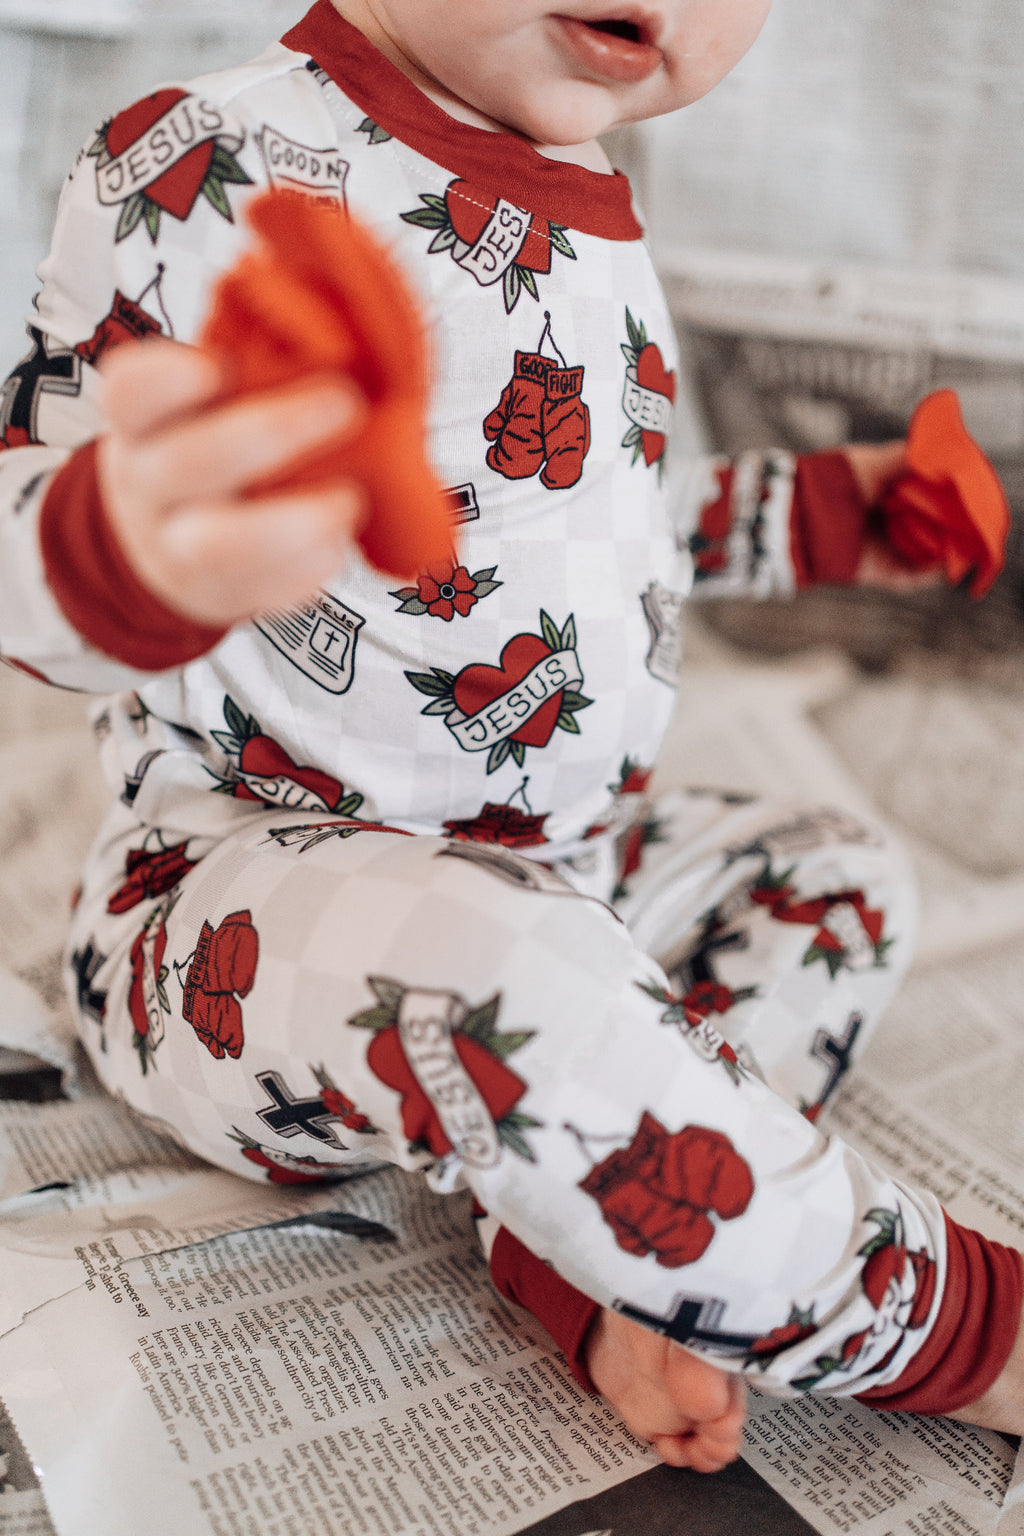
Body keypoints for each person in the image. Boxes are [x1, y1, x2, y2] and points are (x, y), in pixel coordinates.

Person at [0, 0, 1021, 1477]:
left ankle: (634, 1258)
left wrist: (837, 515)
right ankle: (930, 1315)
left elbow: (598, 528)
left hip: (569, 869)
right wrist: (124, 546)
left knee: (832, 872)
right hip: (227, 906)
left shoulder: (585, 190)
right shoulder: (199, 155)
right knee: (512, 972)